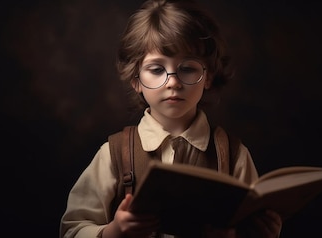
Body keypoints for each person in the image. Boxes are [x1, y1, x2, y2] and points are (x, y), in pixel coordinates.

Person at [59, 0, 283, 237]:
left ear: (208, 77)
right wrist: (114, 231)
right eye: (157, 70)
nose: (173, 82)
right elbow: (72, 229)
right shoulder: (114, 154)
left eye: (187, 69)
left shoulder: (233, 154)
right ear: (136, 80)